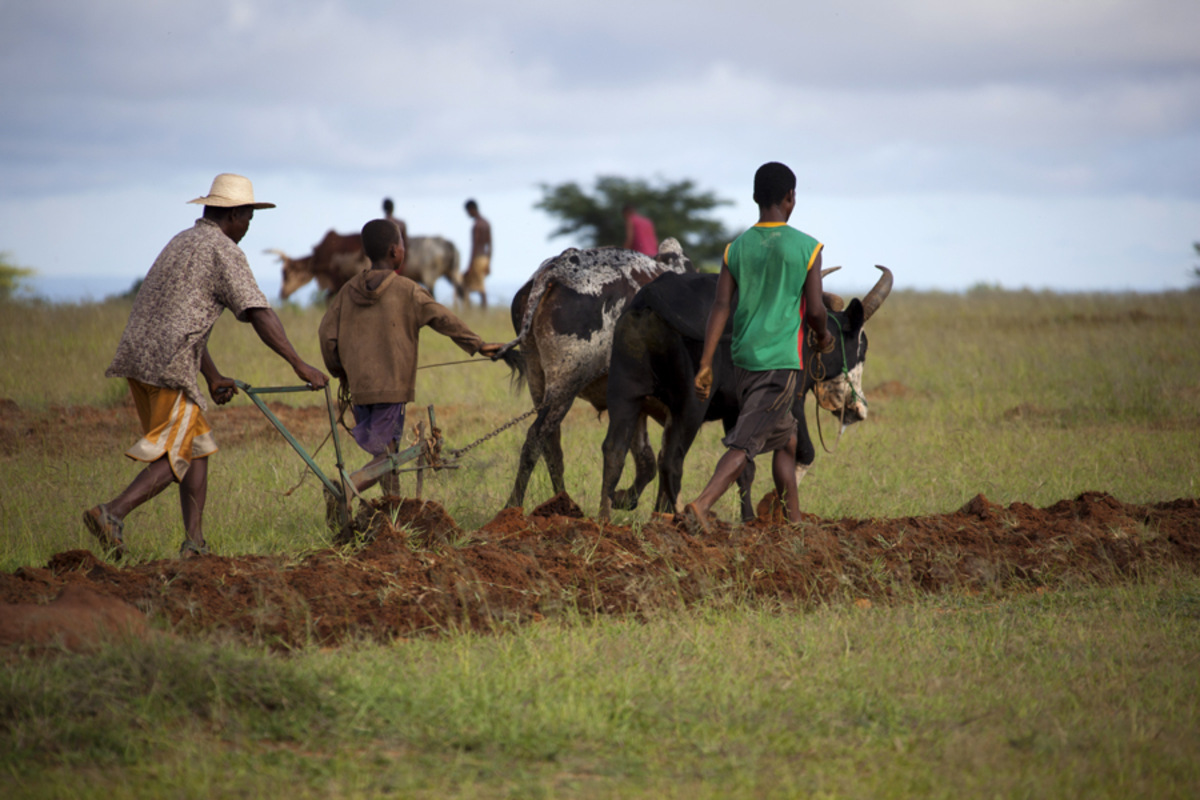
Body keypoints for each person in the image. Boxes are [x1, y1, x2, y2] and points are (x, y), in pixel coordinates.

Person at [84, 173, 329, 560]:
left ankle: (195, 544)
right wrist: (300, 365)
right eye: (248, 218)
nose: (248, 227)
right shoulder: (223, 250)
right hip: (169, 365)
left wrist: (212, 375)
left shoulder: (181, 241)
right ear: (235, 213)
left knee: (196, 446)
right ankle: (112, 513)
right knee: (178, 451)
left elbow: (181, 318)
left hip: (139, 358)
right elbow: (259, 313)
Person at [682, 162, 835, 535]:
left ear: (754, 198)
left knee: (787, 439)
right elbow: (815, 310)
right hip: (780, 363)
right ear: (790, 198)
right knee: (746, 443)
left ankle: (793, 525)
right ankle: (700, 506)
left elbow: (721, 307)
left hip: (744, 362)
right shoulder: (807, 248)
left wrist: (705, 362)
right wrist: (825, 336)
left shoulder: (736, 248)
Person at [319, 218, 503, 502]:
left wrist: (341, 371)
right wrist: (477, 344)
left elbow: (326, 335)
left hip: (359, 389)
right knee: (389, 456)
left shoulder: (346, 291)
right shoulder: (408, 290)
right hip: (391, 390)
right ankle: (344, 489)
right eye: (403, 244)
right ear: (395, 251)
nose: (405, 249)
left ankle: (391, 512)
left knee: (384, 454)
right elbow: (443, 318)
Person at [462, 199, 491, 308]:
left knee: (475, 286)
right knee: (479, 285)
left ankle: (478, 309)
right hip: (485, 258)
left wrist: (469, 266)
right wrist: (489, 262)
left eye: (467, 212)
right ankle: (474, 309)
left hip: (477, 258)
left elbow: (473, 247)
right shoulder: (486, 223)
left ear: (471, 209)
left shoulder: (476, 226)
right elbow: (490, 245)